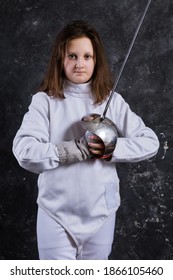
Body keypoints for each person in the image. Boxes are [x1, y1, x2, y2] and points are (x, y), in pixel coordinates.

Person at [12, 20, 159, 260]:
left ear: (96, 60)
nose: (80, 64)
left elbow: (150, 142)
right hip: (56, 212)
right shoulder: (45, 101)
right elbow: (25, 151)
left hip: (101, 212)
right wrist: (75, 150)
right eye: (72, 55)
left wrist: (108, 146)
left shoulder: (111, 101)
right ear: (60, 59)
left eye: (87, 56)